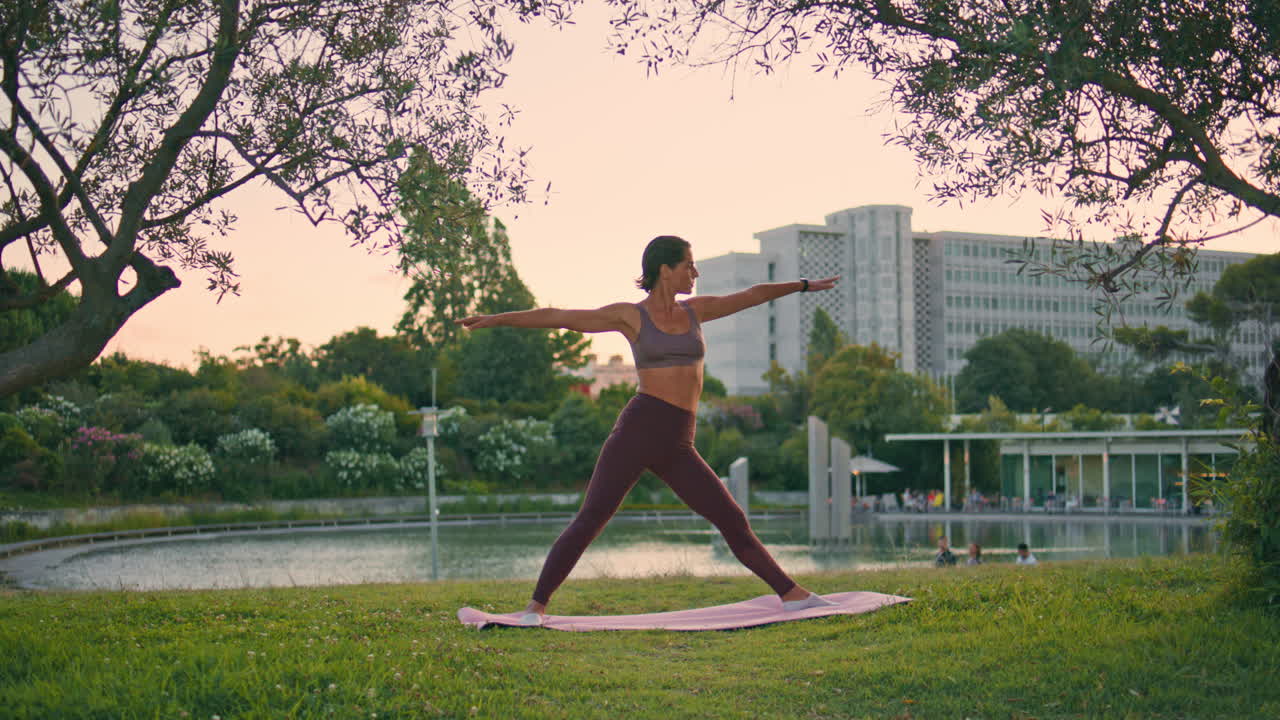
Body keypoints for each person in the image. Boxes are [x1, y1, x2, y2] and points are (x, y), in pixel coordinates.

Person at [458, 235, 841, 625]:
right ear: (665, 269)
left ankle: (792, 595)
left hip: (678, 442)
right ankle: (535, 608)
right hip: (638, 431)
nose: (695, 272)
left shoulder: (696, 311)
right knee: (591, 519)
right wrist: (496, 320)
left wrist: (803, 285)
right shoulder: (630, 316)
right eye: (688, 265)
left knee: (730, 518)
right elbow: (560, 316)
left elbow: (753, 295)